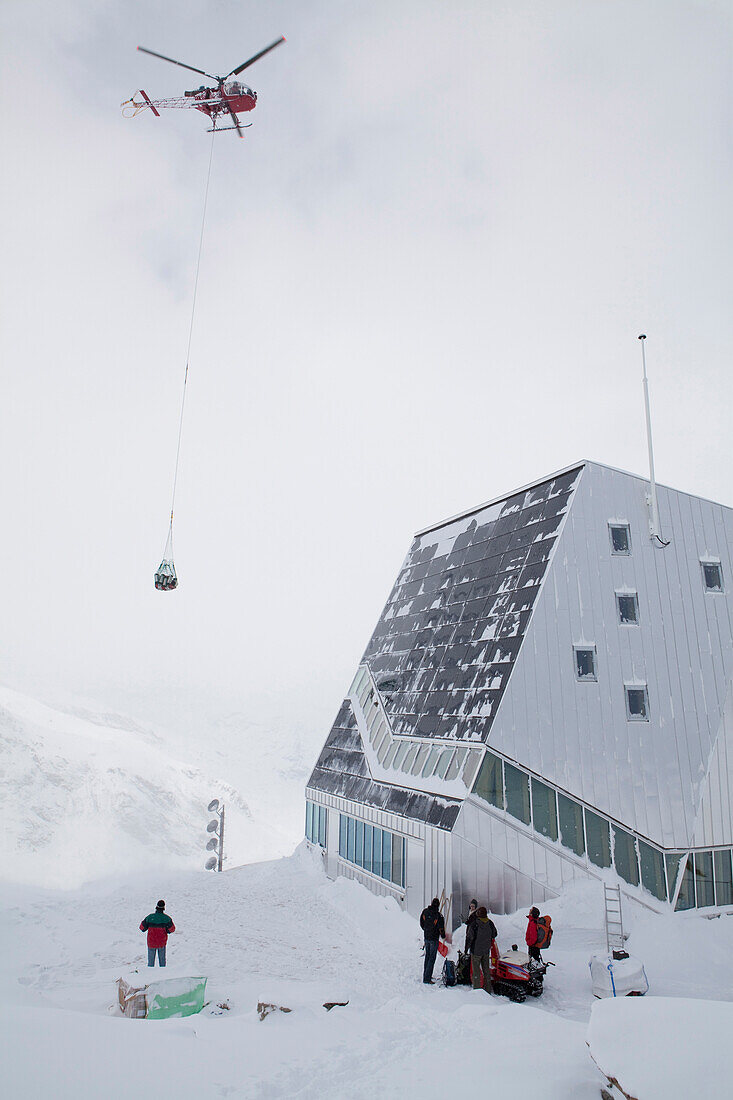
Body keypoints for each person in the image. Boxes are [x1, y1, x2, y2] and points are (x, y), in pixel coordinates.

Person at [466, 905, 497, 994]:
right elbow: (494, 934)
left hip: (476, 951)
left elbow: (469, 937)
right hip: (486, 950)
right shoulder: (490, 923)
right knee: (486, 970)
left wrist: (467, 949)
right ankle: (488, 990)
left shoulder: (474, 924)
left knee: (476, 972)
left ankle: (477, 991)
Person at [140, 899, 175, 967]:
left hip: (151, 942)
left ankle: (150, 975)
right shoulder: (167, 918)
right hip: (162, 942)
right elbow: (172, 929)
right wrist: (166, 931)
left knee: (150, 963)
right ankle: (163, 975)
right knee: (162, 963)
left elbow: (142, 928)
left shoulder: (150, 917)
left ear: (156, 907)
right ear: (164, 908)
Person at [419, 898, 445, 984]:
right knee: (432, 958)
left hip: (426, 937)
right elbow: (441, 928)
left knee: (427, 956)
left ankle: (426, 975)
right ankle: (427, 978)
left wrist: (426, 930)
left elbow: (421, 923)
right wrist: (443, 935)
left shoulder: (425, 912)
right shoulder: (438, 916)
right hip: (434, 938)